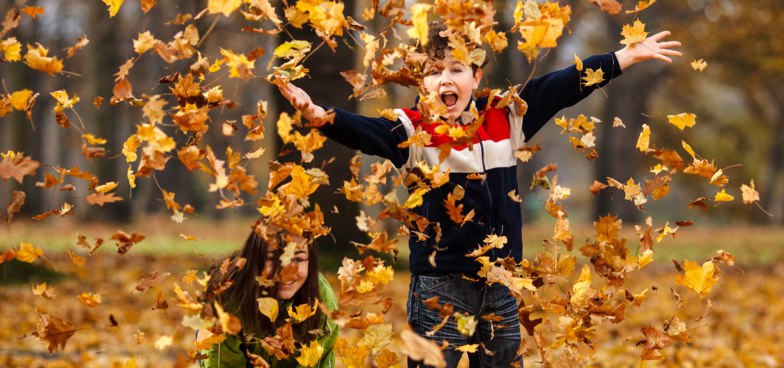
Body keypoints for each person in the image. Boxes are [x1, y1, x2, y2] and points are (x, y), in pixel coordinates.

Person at [277, 21, 681, 367]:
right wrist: (318, 114)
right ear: (422, 81)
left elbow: (561, 86)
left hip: (502, 284)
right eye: (435, 72)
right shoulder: (411, 131)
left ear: (476, 78)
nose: (445, 80)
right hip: (440, 288)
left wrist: (622, 57)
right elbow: (362, 131)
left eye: (457, 69)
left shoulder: (506, 116)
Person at [200, 221, 339, 368]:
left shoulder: (322, 300)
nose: (288, 272)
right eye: (274, 259)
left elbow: (318, 363)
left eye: (298, 259)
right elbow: (221, 363)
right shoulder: (227, 299)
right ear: (255, 259)